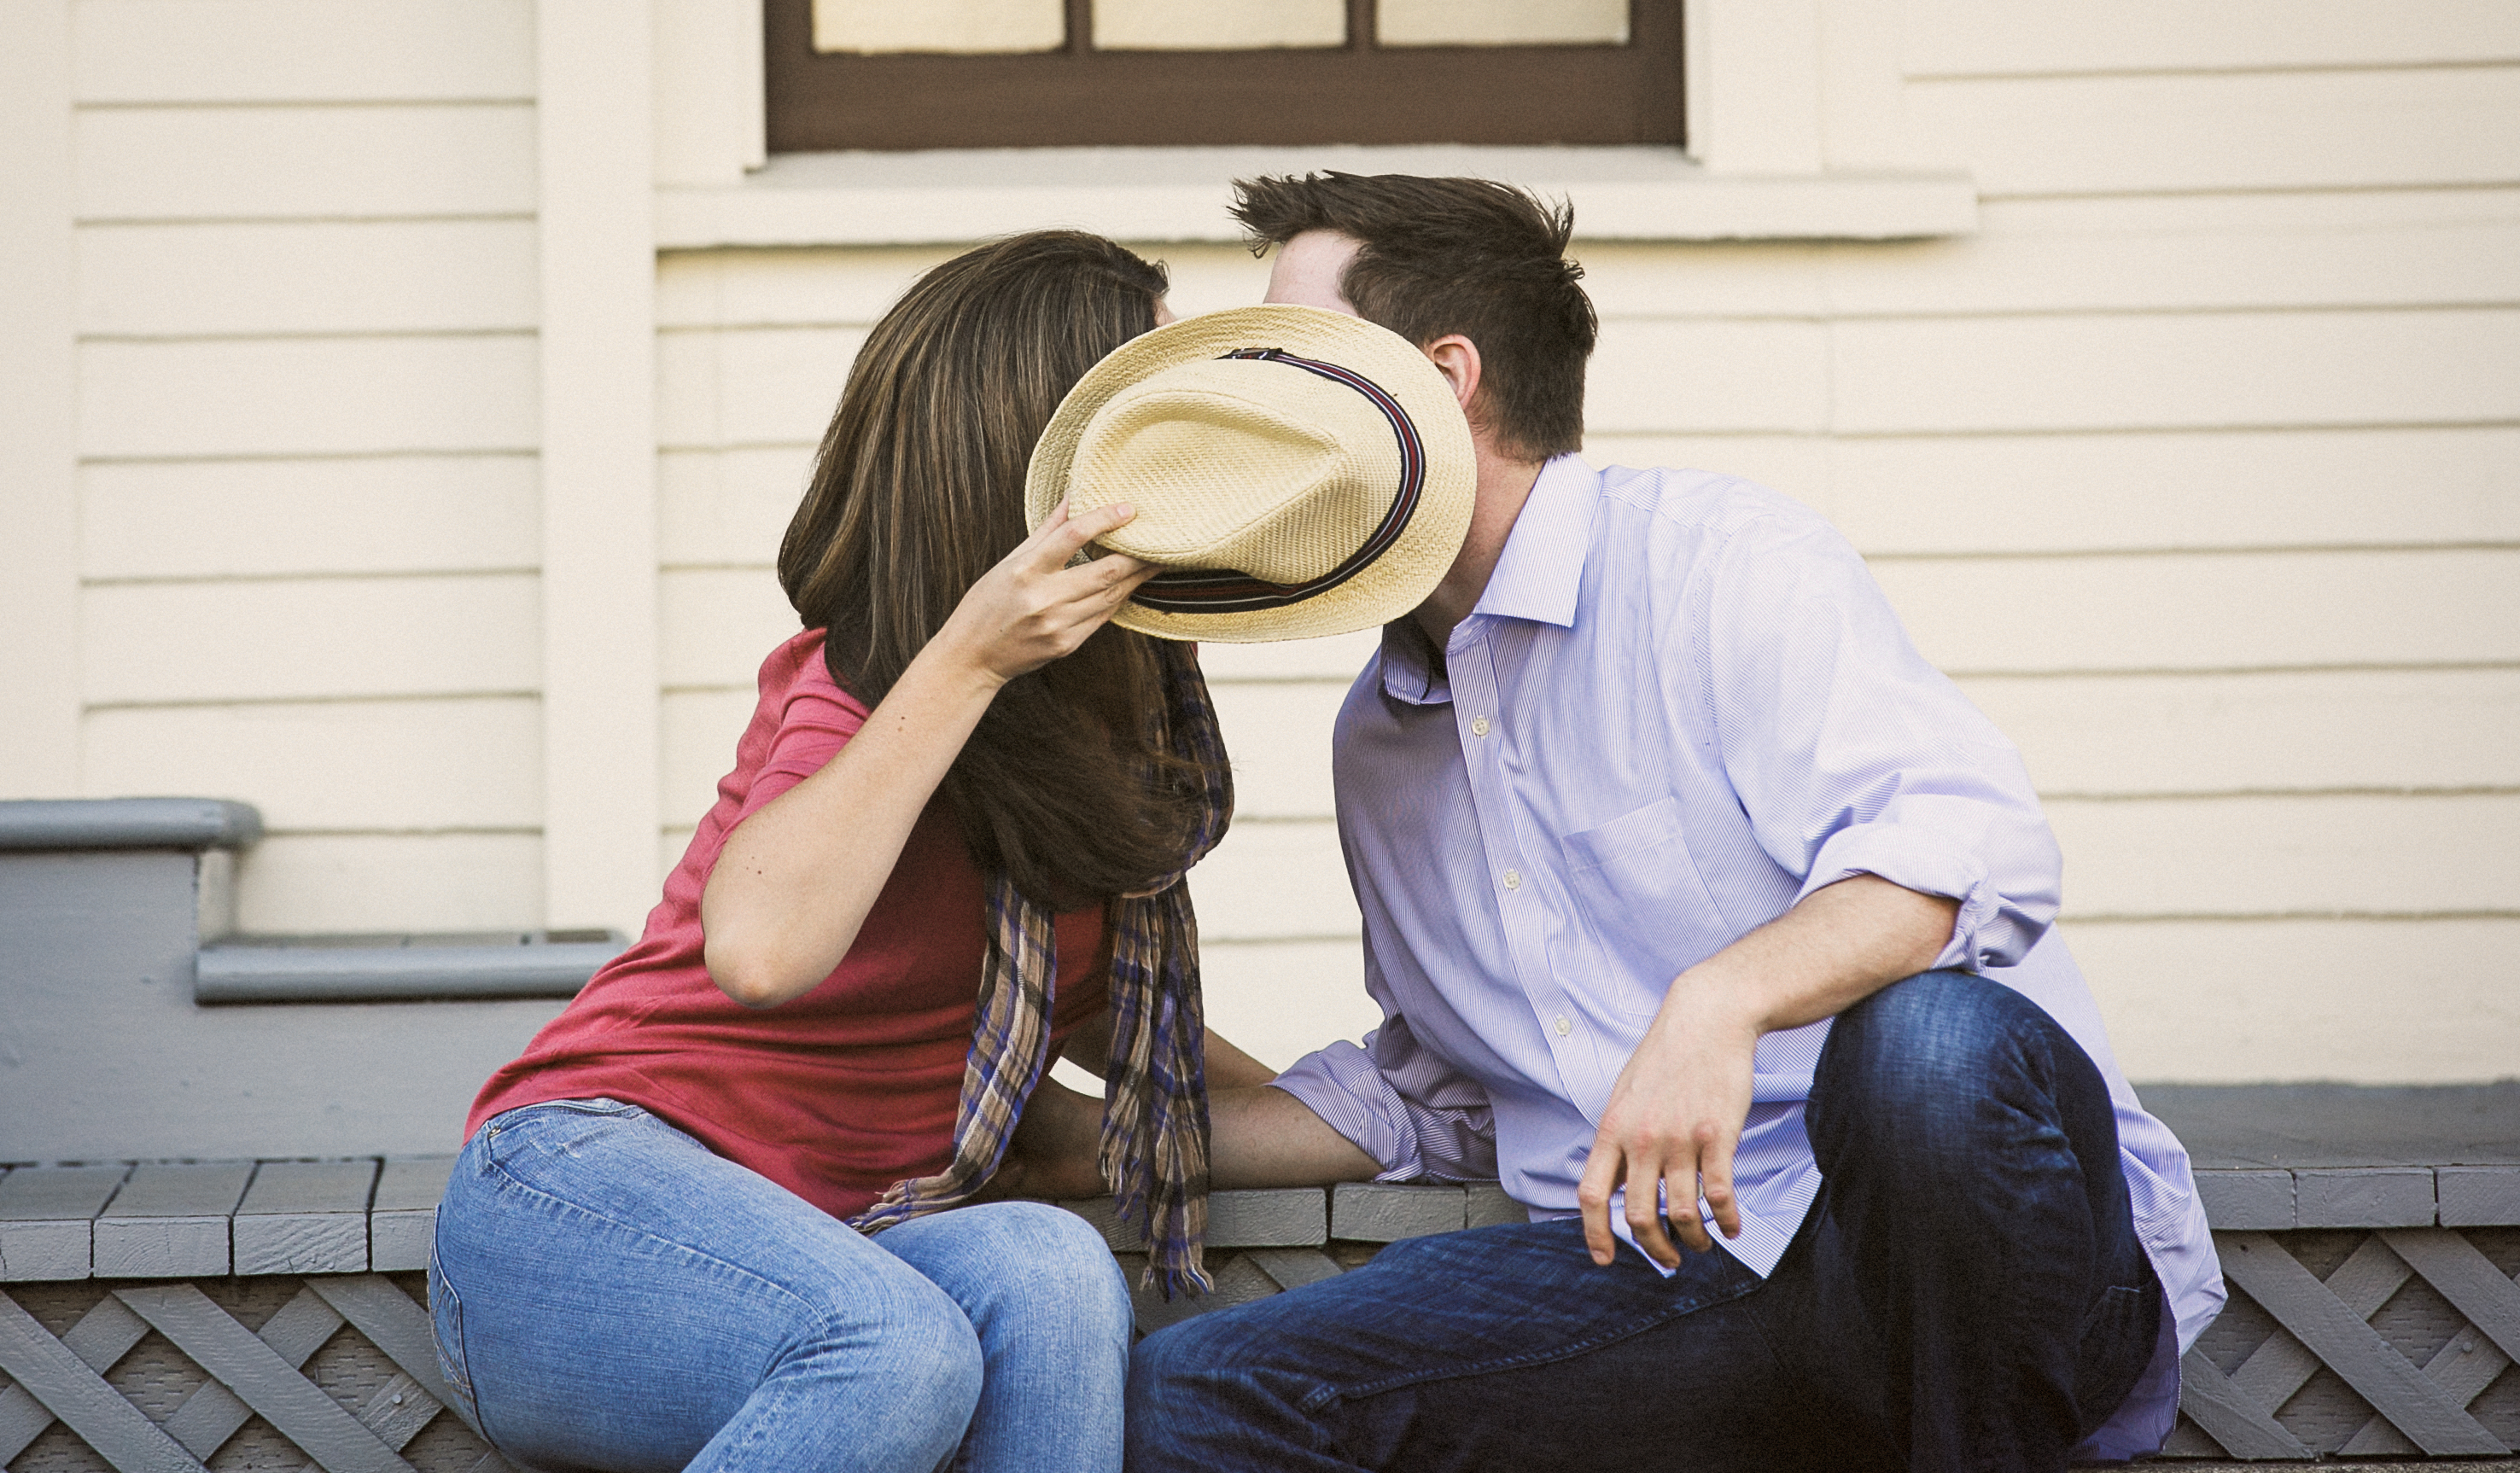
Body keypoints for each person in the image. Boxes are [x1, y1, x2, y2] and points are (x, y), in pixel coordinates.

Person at [1112, 175, 2228, 1472]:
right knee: (1196, 1390)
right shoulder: (1383, 737)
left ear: (1442, 377)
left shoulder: (1727, 564)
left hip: (1960, 1263)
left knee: (1930, 1045)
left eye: (1294, 358)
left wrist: (1722, 1003)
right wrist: (1085, 1142)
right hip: (1663, 1277)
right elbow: (1447, 1095)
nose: (1255, 406)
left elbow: (1962, 851)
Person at [429, 230, 1269, 1473]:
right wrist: (971, 655)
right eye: (1147, 395)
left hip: (852, 1236)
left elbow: (1147, 1074)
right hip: (577, 1201)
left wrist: (1432, 1106)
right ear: (1044, 447)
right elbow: (762, 952)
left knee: (1047, 1270)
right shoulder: (862, 689)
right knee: (892, 1345)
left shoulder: (1080, 749)